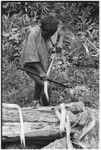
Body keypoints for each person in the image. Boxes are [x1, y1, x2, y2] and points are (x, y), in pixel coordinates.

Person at [22, 15, 64, 106]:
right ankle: (46, 107)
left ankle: (35, 101)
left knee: (40, 82)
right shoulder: (33, 33)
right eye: (47, 34)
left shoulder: (52, 29)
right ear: (42, 28)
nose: (49, 36)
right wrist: (40, 71)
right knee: (46, 85)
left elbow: (60, 32)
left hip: (43, 62)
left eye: (51, 35)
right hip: (29, 65)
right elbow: (30, 56)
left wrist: (60, 42)